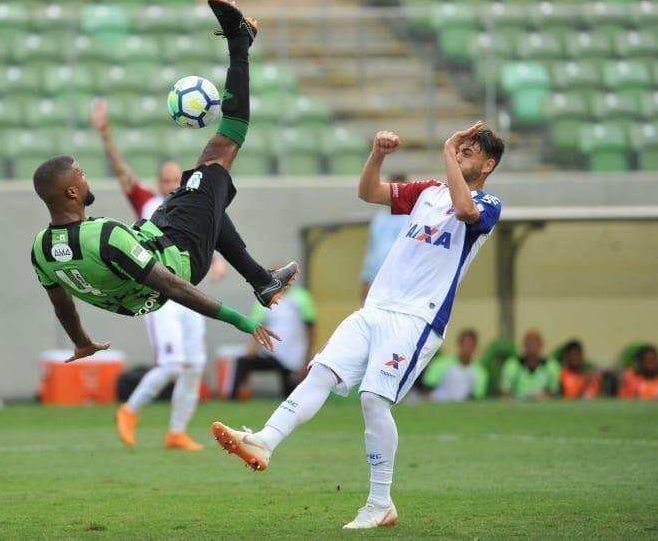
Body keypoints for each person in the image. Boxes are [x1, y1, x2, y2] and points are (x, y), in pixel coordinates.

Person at [212, 120, 505, 530]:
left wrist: (446, 153)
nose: (459, 154)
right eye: (458, 149)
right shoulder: (428, 192)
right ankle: (265, 440)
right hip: (375, 308)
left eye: (468, 152)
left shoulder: (488, 203)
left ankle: (380, 502)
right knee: (320, 372)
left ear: (488, 165)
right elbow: (369, 192)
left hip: (416, 318)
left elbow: (465, 211)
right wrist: (377, 156)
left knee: (373, 399)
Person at [30, 0, 298, 409]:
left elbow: (62, 303)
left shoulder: (41, 250)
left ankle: (262, 279)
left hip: (156, 242)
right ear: (70, 192)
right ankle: (239, 42)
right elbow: (174, 286)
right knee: (222, 148)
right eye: (80, 174)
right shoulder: (105, 236)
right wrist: (240, 321)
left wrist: (81, 341)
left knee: (205, 199)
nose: (85, 177)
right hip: (180, 258)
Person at [91, 98, 226, 451]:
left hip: (189, 291)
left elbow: (201, 242)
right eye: (164, 179)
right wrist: (105, 134)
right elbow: (121, 171)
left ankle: (176, 432)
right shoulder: (148, 203)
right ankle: (129, 410)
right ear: (157, 182)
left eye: (173, 179)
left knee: (194, 365)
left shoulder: (192, 206)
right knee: (172, 364)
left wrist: (217, 261)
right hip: (160, 292)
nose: (169, 184)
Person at [229, 282, 316, 400]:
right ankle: (235, 397)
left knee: (290, 396)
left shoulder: (302, 297)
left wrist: (308, 354)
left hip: (293, 356)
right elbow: (257, 327)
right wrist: (253, 349)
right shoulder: (264, 297)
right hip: (270, 353)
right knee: (243, 362)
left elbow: (311, 328)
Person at [359, 174, 409, 301]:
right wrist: (366, 279)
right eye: (393, 190)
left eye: (399, 190)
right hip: (377, 281)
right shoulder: (379, 218)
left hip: (402, 285)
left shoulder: (412, 218)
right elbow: (372, 250)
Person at [420, 328, 488, 402]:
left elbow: (477, 396)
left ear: (475, 347)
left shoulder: (480, 372)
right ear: (459, 344)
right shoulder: (441, 363)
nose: (467, 349)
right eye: (465, 345)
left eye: (470, 346)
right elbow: (427, 388)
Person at [499, 330, 560, 400]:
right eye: (529, 343)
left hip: (543, 404)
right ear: (524, 345)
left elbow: (554, 391)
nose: (532, 346)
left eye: (535, 343)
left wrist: (546, 396)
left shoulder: (552, 366)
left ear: (541, 344)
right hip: (517, 403)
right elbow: (504, 392)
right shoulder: (511, 365)